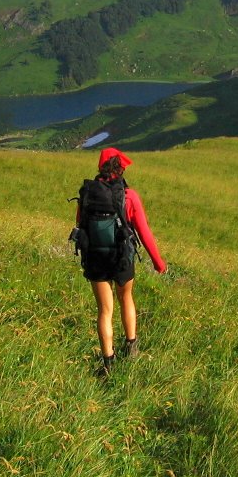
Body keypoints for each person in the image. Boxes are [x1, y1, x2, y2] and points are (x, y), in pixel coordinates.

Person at [74, 147, 166, 376]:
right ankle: (131, 348)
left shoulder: (87, 193)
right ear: (121, 168)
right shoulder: (129, 196)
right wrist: (158, 263)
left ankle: (108, 362)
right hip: (121, 257)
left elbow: (80, 225)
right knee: (126, 298)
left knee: (104, 310)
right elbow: (144, 232)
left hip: (95, 258)